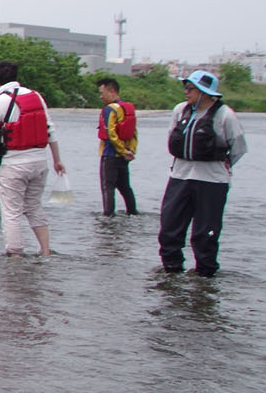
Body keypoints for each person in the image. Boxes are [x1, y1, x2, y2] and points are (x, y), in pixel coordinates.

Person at [158, 69, 246, 276]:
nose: (186, 92)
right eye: (186, 87)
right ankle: (172, 273)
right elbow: (172, 135)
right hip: (180, 177)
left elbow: (238, 148)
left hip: (212, 182)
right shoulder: (180, 110)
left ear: (205, 92)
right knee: (169, 229)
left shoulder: (225, 116)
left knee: (204, 234)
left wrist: (220, 167)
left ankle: (205, 276)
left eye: (191, 88)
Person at [0, 60, 66, 257]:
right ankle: (45, 251)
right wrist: (57, 160)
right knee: (34, 206)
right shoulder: (36, 97)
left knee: (11, 212)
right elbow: (50, 130)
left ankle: (15, 255)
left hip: (14, 164)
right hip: (40, 163)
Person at [97, 77, 139, 216]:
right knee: (125, 187)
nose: (101, 96)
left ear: (112, 91)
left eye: (102, 92)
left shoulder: (110, 109)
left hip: (110, 155)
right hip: (124, 157)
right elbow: (134, 133)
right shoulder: (127, 108)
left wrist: (121, 150)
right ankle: (132, 212)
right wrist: (130, 151)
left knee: (107, 188)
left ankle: (108, 216)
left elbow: (111, 133)